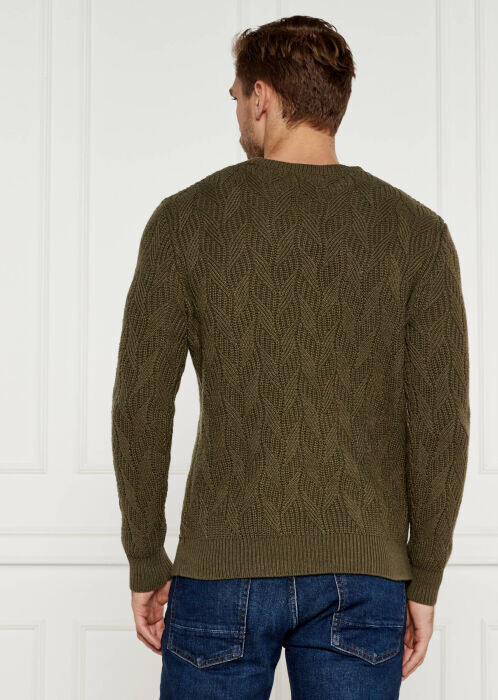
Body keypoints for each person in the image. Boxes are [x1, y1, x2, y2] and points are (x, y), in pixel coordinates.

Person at [111, 15, 470, 699]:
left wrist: (145, 556)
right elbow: (440, 423)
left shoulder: (185, 221)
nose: (237, 114)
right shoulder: (417, 234)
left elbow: (140, 403)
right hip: (364, 577)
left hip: (220, 571)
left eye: (235, 96)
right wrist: (425, 576)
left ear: (263, 98)